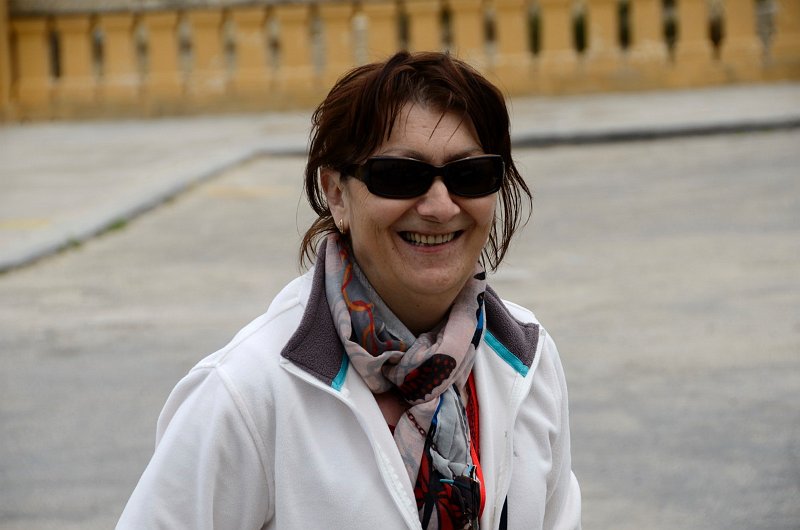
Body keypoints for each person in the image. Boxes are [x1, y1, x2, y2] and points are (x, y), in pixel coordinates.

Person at [117, 51, 581, 529]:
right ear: (336, 193)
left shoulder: (529, 360)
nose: (441, 207)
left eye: (470, 175)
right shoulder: (247, 393)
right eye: (400, 177)